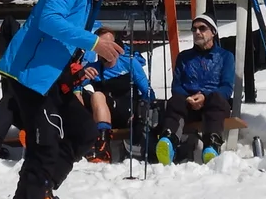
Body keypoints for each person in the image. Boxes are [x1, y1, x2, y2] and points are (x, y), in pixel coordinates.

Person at [0, 0, 132, 199]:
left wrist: (96, 52)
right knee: (44, 147)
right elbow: (49, 20)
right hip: (29, 75)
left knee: (84, 131)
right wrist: (95, 43)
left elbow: (71, 39)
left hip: (53, 79)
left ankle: (42, 192)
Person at [158, 13, 236, 165]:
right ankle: (168, 142)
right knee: (175, 101)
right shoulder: (184, 57)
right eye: (194, 29)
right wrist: (188, 98)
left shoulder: (226, 56)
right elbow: (177, 86)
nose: (197, 32)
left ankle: (211, 146)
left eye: (202, 28)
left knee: (217, 99)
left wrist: (205, 96)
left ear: (213, 32)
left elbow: (227, 87)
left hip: (213, 104)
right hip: (188, 103)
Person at [83, 29, 152, 162]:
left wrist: (143, 111)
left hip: (128, 113)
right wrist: (81, 77)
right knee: (94, 96)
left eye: (110, 43)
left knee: (97, 95)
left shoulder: (129, 63)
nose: (107, 48)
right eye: (102, 44)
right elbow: (74, 92)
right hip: (104, 114)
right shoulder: (92, 68)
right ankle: (101, 144)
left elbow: (147, 91)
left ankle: (103, 146)